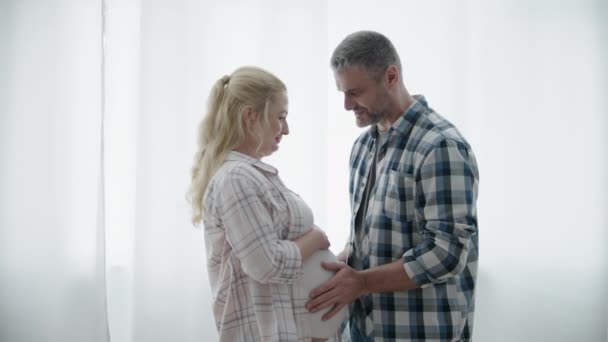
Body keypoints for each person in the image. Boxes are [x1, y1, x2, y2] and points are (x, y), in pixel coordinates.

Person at [305, 31, 480, 341]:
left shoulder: (440, 146)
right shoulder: (362, 147)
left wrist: (361, 282)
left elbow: (447, 253)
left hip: (419, 333)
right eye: (342, 92)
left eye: (355, 92)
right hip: (363, 328)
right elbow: (368, 240)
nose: (346, 105)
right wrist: (335, 264)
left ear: (391, 76)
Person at [188, 66, 343, 341]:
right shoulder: (235, 178)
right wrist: (316, 240)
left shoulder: (252, 175)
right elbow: (265, 264)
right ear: (250, 117)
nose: (286, 129)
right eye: (280, 117)